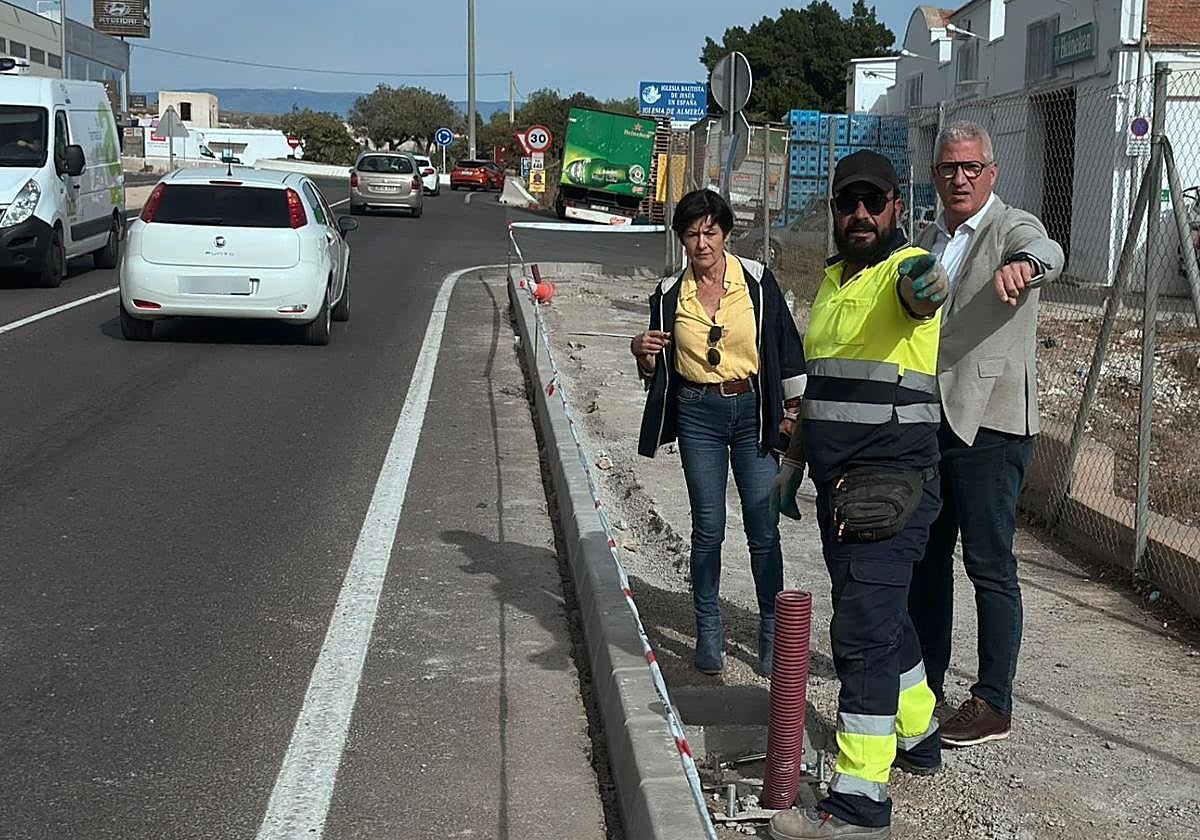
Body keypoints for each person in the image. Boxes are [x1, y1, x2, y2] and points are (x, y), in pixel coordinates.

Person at [768, 150, 949, 840]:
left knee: (863, 637)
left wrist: (929, 280)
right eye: (850, 203)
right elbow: (826, 391)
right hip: (840, 488)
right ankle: (919, 732)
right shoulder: (839, 281)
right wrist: (792, 463)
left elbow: (924, 289)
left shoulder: (899, 276)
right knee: (882, 617)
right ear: (837, 211)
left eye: (875, 202)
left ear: (896, 207)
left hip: (890, 489)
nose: (862, 214)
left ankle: (859, 797)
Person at [908, 121, 1064, 749]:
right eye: (949, 168)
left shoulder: (1010, 227)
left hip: (991, 425)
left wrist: (1025, 265)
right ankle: (927, 681)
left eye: (971, 167)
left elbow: (1047, 249)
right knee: (928, 559)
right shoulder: (930, 235)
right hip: (932, 418)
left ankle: (995, 700)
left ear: (991, 173)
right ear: (937, 174)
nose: (960, 178)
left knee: (990, 563)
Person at [631, 188, 806, 677]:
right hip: (697, 413)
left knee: (762, 527)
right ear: (682, 240)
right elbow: (654, 366)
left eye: (710, 232)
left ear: (726, 233)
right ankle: (708, 630)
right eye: (692, 234)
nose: (702, 243)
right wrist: (640, 351)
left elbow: (786, 348)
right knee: (708, 528)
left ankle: (771, 631)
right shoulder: (669, 294)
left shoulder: (757, 281)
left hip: (753, 411)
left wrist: (793, 413)